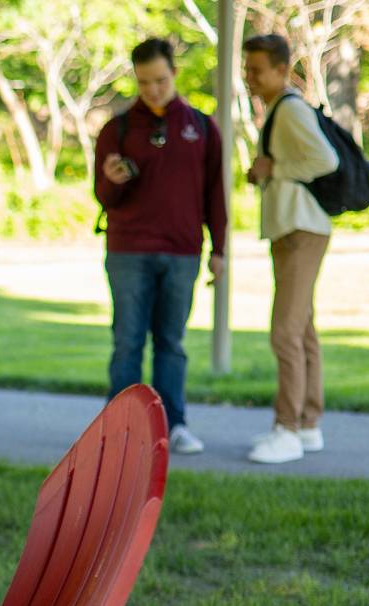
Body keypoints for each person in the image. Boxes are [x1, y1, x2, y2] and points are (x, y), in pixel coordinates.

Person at [93, 36, 227, 456]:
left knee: (171, 341)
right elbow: (102, 197)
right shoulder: (116, 129)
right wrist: (112, 181)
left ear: (174, 73)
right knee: (128, 341)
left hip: (182, 253)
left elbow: (215, 195)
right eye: (145, 81)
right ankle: (120, 429)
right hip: (128, 251)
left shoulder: (202, 128)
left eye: (160, 80)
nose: (153, 89)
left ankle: (175, 423)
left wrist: (219, 250)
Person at [242, 32, 339, 464]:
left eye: (257, 70)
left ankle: (287, 429)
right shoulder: (279, 111)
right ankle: (309, 424)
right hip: (292, 229)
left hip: (302, 230)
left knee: (284, 331)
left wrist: (275, 167)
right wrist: (266, 172)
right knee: (302, 330)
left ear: (282, 70)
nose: (249, 77)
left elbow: (327, 160)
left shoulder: (291, 109)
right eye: (246, 69)